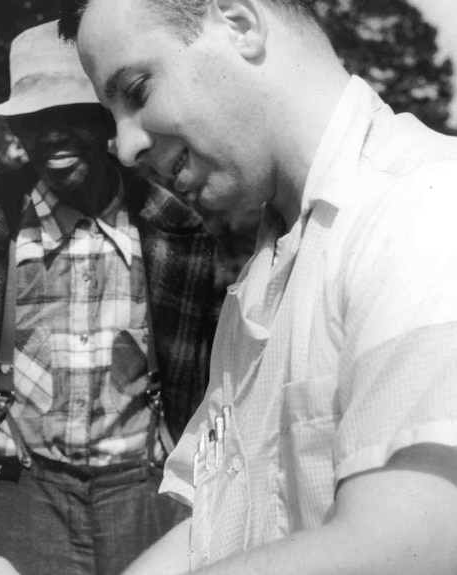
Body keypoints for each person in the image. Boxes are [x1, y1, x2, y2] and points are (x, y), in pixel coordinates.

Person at [53, 1, 457, 574]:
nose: (124, 146)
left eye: (138, 91)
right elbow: (212, 535)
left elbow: (418, 544)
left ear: (240, 24)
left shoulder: (427, 207)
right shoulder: (262, 276)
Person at [0, 20, 221, 575]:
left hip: (147, 494)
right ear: (14, 128)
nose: (51, 134)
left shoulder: (180, 233)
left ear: (105, 117)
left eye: (70, 114)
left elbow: (224, 379)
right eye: (34, 118)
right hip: (17, 491)